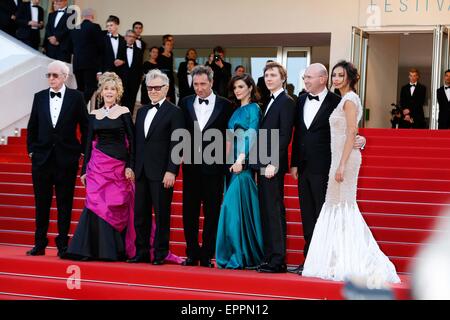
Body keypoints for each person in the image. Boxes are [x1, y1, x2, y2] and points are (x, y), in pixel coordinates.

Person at [301, 61, 400, 285]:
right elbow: (351, 132)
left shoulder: (350, 99)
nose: (336, 79)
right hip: (339, 158)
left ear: (350, 77)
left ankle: (350, 260)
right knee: (336, 208)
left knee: (343, 208)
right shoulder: (344, 100)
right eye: (334, 75)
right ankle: (335, 260)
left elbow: (352, 131)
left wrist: (343, 164)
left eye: (340, 75)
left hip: (345, 160)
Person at [289, 63, 366, 275]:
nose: (305, 81)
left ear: (322, 79)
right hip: (304, 166)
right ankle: (310, 259)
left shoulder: (338, 101)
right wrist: (294, 162)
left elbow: (351, 130)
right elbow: (299, 134)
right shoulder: (301, 99)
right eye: (304, 78)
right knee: (307, 215)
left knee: (324, 214)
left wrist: (361, 139)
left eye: (308, 78)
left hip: (326, 166)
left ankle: (328, 259)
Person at [62, 72, 135, 261]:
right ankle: (88, 250)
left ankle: (112, 250)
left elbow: (133, 142)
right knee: (94, 205)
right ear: (101, 92)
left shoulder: (124, 112)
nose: (109, 92)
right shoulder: (94, 114)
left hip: (118, 167)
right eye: (106, 89)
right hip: (97, 166)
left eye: (112, 89)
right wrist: (84, 169)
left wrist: (130, 165)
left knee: (111, 205)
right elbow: (87, 143)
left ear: (118, 92)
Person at [26, 60, 89, 257]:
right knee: (41, 203)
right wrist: (32, 151)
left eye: (54, 75)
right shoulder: (39, 97)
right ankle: (39, 244)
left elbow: (86, 127)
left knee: (65, 203)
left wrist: (81, 151)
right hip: (42, 160)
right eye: (49, 75)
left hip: (66, 160)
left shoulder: (76, 97)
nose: (51, 79)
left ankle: (63, 244)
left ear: (65, 77)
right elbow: (32, 127)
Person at [127, 69, 184, 265]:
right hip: (141, 171)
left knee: (161, 215)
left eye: (157, 87)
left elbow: (178, 144)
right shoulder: (142, 111)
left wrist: (172, 170)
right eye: (149, 88)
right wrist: (132, 166)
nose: (152, 91)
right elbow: (136, 142)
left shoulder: (175, 112)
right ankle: (141, 252)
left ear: (166, 88)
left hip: (162, 173)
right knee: (140, 215)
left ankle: (160, 253)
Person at [178, 65, 233, 267]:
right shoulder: (184, 103)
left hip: (214, 168)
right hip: (191, 167)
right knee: (189, 211)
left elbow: (230, 136)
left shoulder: (226, 105)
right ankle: (192, 253)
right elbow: (180, 131)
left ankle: (206, 255)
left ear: (211, 82)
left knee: (212, 212)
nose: (199, 88)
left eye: (203, 84)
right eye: (196, 84)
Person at [215, 74, 264, 269]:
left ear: (250, 88)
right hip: (230, 163)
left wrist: (240, 160)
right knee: (236, 209)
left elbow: (251, 135)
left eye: (241, 86)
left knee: (231, 209)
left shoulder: (254, 109)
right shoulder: (235, 111)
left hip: (242, 164)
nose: (237, 91)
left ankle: (240, 254)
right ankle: (237, 253)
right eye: (235, 87)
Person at [251, 62, 296, 273]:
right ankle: (270, 257)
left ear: (282, 78)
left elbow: (285, 134)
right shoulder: (269, 101)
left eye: (273, 75)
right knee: (266, 212)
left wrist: (274, 163)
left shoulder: (286, 102)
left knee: (274, 212)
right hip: (263, 163)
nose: (269, 78)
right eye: (266, 75)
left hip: (271, 165)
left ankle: (278, 261)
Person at [70, 8, 104, 103]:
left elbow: (71, 47)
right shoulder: (95, 27)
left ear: (82, 17)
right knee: (91, 87)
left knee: (80, 88)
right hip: (90, 63)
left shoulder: (74, 29)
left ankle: (77, 107)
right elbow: (101, 45)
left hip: (77, 64)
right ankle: (79, 107)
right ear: (92, 16)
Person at [121, 29, 143, 117]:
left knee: (131, 101)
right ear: (125, 37)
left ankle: (128, 121)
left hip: (134, 81)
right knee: (120, 101)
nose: (131, 38)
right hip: (121, 81)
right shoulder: (119, 49)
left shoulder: (139, 51)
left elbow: (140, 67)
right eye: (129, 36)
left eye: (134, 37)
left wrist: (139, 80)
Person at [100, 15, 126, 82]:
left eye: (111, 25)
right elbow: (99, 56)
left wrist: (123, 61)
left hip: (120, 72)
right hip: (106, 72)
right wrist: (99, 72)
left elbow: (126, 56)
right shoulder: (102, 39)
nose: (109, 27)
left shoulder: (123, 40)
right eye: (107, 26)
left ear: (117, 25)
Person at [158, 34, 176, 102]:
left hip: (170, 78)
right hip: (162, 78)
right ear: (164, 45)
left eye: (171, 44)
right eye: (168, 44)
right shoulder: (159, 55)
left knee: (171, 99)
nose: (170, 46)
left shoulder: (171, 54)